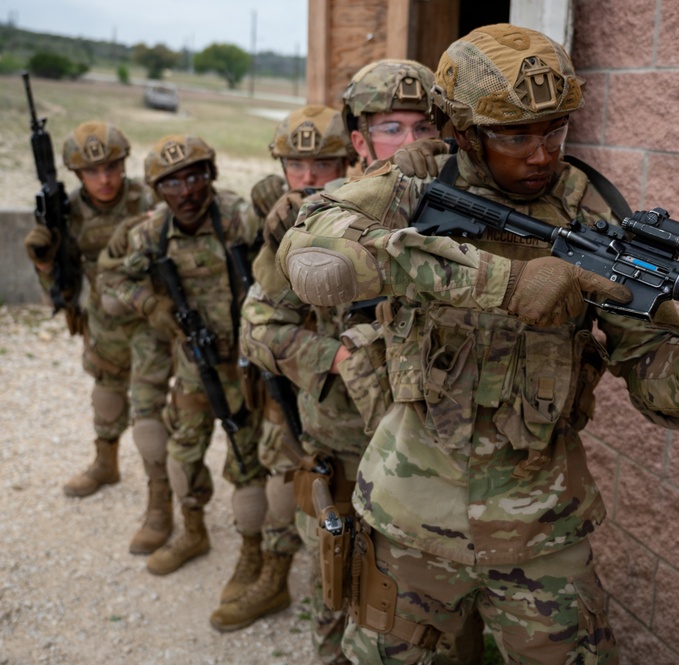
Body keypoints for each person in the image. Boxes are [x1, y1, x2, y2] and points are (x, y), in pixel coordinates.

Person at [275, 24, 679, 664]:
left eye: (555, 131)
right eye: (515, 136)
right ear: (462, 130)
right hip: (409, 517)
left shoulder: (594, 217)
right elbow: (312, 257)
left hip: (541, 533)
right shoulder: (414, 183)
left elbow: (657, 381)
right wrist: (502, 283)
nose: (540, 155)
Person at [239, 61, 485, 664]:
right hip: (347, 447)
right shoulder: (320, 220)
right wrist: (336, 355)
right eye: (391, 129)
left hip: (446, 464)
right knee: (340, 588)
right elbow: (257, 326)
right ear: (359, 141)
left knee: (442, 620)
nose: (410, 144)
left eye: (423, 127)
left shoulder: (480, 216)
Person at [209, 104, 356, 636]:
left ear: (348, 161)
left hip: (334, 388)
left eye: (323, 164)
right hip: (279, 367)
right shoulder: (267, 206)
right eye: (296, 164)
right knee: (278, 470)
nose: (308, 176)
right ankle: (271, 570)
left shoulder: (364, 210)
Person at [106, 135, 268, 604]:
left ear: (211, 175)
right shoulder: (152, 232)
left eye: (195, 176)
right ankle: (193, 532)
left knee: (248, 463)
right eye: (172, 183)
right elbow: (112, 279)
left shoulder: (239, 219)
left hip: (247, 366)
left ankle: (253, 553)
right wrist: (151, 305)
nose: (187, 191)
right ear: (157, 190)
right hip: (195, 365)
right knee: (182, 454)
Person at [22, 121, 160, 503]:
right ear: (77, 174)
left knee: (150, 410)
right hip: (103, 320)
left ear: (124, 164)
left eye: (112, 167)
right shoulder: (67, 214)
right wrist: (44, 261)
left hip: (150, 318)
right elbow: (61, 289)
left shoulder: (147, 200)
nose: (104, 179)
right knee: (106, 396)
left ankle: (160, 489)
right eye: (92, 171)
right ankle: (105, 463)